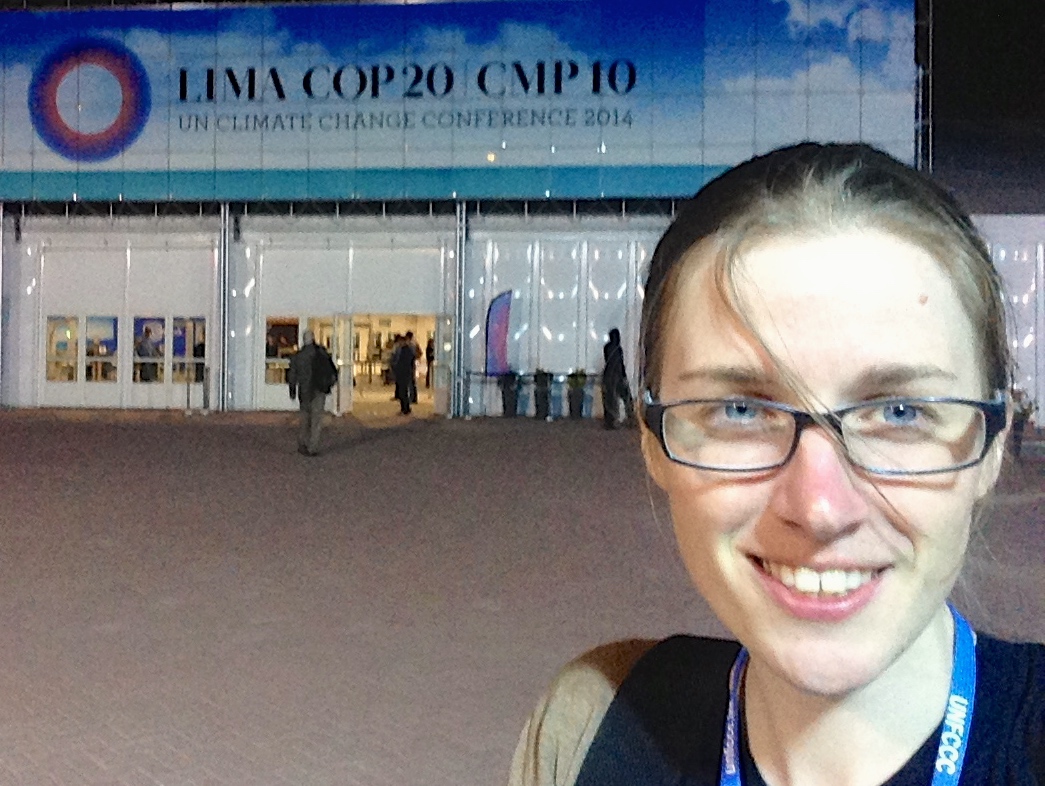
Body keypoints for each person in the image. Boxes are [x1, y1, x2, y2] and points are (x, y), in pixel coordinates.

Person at [508, 143, 1044, 786]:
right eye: (740, 410)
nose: (818, 509)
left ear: (991, 445)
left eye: (900, 412)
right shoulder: (595, 728)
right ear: (652, 439)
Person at [288, 330, 337, 456]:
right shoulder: (321, 352)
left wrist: (292, 390)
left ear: (303, 340)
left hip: (304, 391)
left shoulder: (298, 356)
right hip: (319, 390)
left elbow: (292, 375)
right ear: (313, 339)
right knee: (316, 420)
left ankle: (302, 442)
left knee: (304, 418)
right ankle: (312, 447)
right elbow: (332, 370)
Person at [601, 327, 634, 429]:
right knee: (626, 397)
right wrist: (624, 376)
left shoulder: (606, 347)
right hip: (617, 376)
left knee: (610, 399)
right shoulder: (617, 349)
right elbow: (619, 364)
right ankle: (630, 418)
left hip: (608, 376)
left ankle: (610, 421)